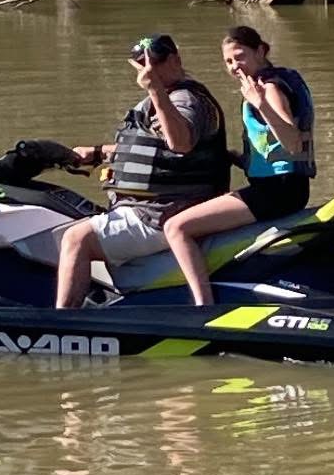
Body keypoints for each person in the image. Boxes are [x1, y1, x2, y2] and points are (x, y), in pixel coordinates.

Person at [56, 33, 229, 308]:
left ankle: (63, 323)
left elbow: (181, 143)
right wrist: (99, 153)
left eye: (156, 61)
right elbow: (152, 146)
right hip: (146, 207)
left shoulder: (186, 100)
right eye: (141, 62)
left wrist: (154, 90)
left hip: (163, 212)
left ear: (175, 59)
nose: (149, 69)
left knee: (76, 239)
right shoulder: (168, 99)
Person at [163, 25, 316, 306]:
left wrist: (261, 103)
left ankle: (203, 307)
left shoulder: (268, 88)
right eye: (228, 61)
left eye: (240, 56)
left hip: (277, 193)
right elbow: (271, 150)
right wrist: (232, 156)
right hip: (283, 187)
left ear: (261, 51)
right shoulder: (280, 79)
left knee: (177, 227)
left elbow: (292, 142)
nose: (235, 66)